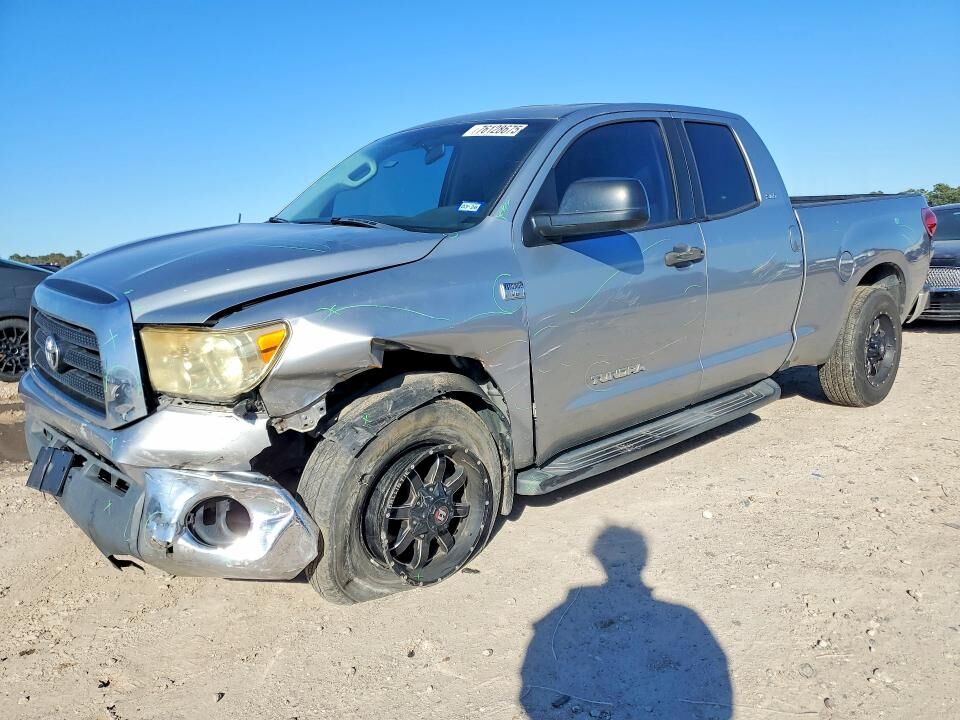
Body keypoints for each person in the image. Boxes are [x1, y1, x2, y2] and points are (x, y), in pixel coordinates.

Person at [520, 526, 731, 718]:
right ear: (645, 561)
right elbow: (719, 685)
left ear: (596, 557)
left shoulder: (561, 613)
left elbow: (527, 680)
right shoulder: (685, 615)